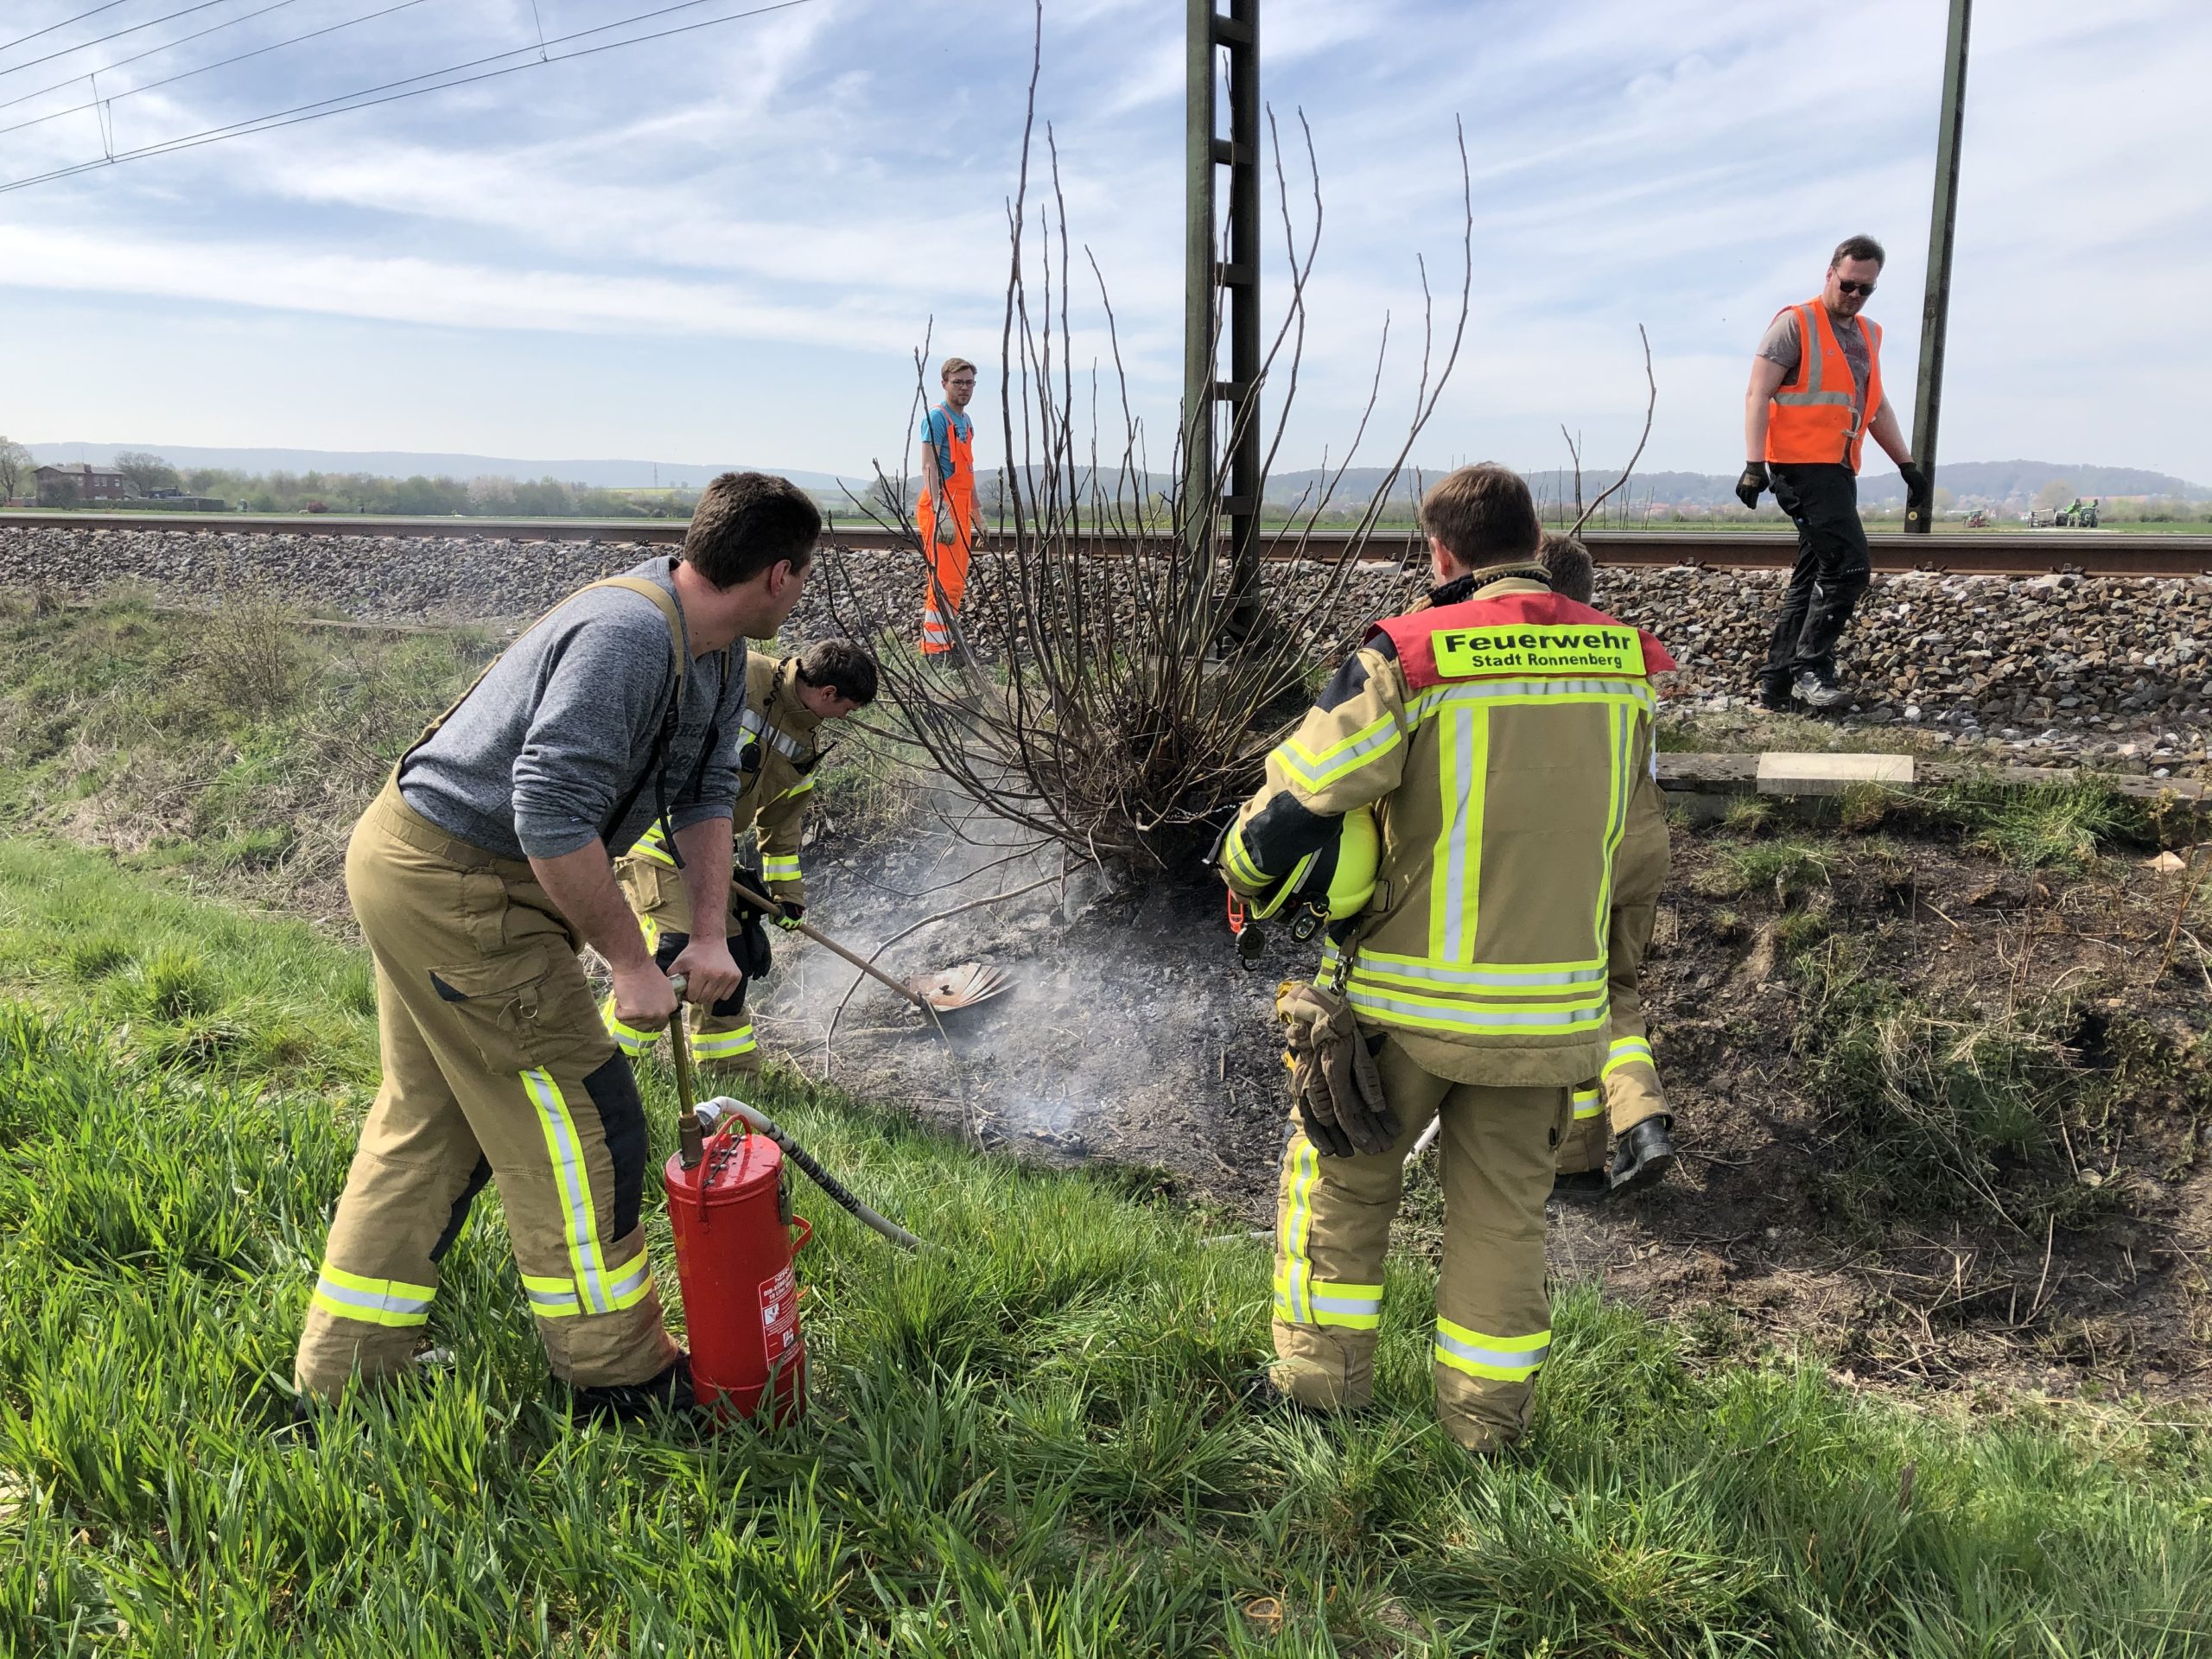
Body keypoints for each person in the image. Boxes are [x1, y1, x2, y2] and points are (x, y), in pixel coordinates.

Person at [293, 471, 820, 1421]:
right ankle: (617, 1374)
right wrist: (628, 962)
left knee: (434, 1120)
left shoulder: (707, 651)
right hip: (457, 879)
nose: (801, 593)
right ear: (778, 575)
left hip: (437, 866)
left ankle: (347, 1372)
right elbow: (547, 810)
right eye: (804, 578)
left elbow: (702, 794)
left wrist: (706, 933)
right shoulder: (626, 641)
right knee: (585, 1122)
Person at [1215, 464, 1675, 1454]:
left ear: (1441, 553)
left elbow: (1305, 789)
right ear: (1535, 538)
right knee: (1504, 1221)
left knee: (1339, 1184)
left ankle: (1316, 1392)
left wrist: (1243, 872)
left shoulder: (1409, 653)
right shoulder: (1623, 662)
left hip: (1404, 1008)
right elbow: (1639, 847)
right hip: (1549, 1017)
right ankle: (1486, 1432)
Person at [602, 639, 878, 1073]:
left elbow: (781, 825)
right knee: (676, 947)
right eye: (848, 708)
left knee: (731, 953)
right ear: (828, 693)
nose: (846, 717)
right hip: (655, 838)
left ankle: (730, 1069)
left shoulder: (804, 743)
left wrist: (787, 895)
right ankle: (610, 1065)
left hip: (710, 853)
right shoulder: (738, 674)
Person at [1534, 530, 1678, 1194]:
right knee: (1615, 989)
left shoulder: (1517, 661)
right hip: (1640, 840)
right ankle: (1641, 1121)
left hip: (1575, 850)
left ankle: (1574, 1163)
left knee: (1560, 995)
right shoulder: (1624, 659)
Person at [1738, 234, 1928, 711]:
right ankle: (1811, 668)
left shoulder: (1869, 334)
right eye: (1849, 285)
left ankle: (1776, 685)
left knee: (1814, 574)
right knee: (1850, 566)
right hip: (1799, 469)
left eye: (1867, 289)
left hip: (1840, 468)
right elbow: (1758, 393)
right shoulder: (1794, 325)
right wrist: (1753, 465)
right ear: (1830, 273)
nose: (1856, 296)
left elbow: (1873, 403)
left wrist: (1905, 463)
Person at [918, 356, 979, 656]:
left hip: (961, 505)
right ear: (944, 384)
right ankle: (934, 650)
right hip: (941, 505)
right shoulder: (937, 419)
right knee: (942, 579)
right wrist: (941, 512)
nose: (964, 388)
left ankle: (946, 643)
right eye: (958, 382)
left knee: (955, 580)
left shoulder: (966, 422)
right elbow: (929, 467)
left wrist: (977, 512)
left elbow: (968, 471)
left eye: (969, 382)